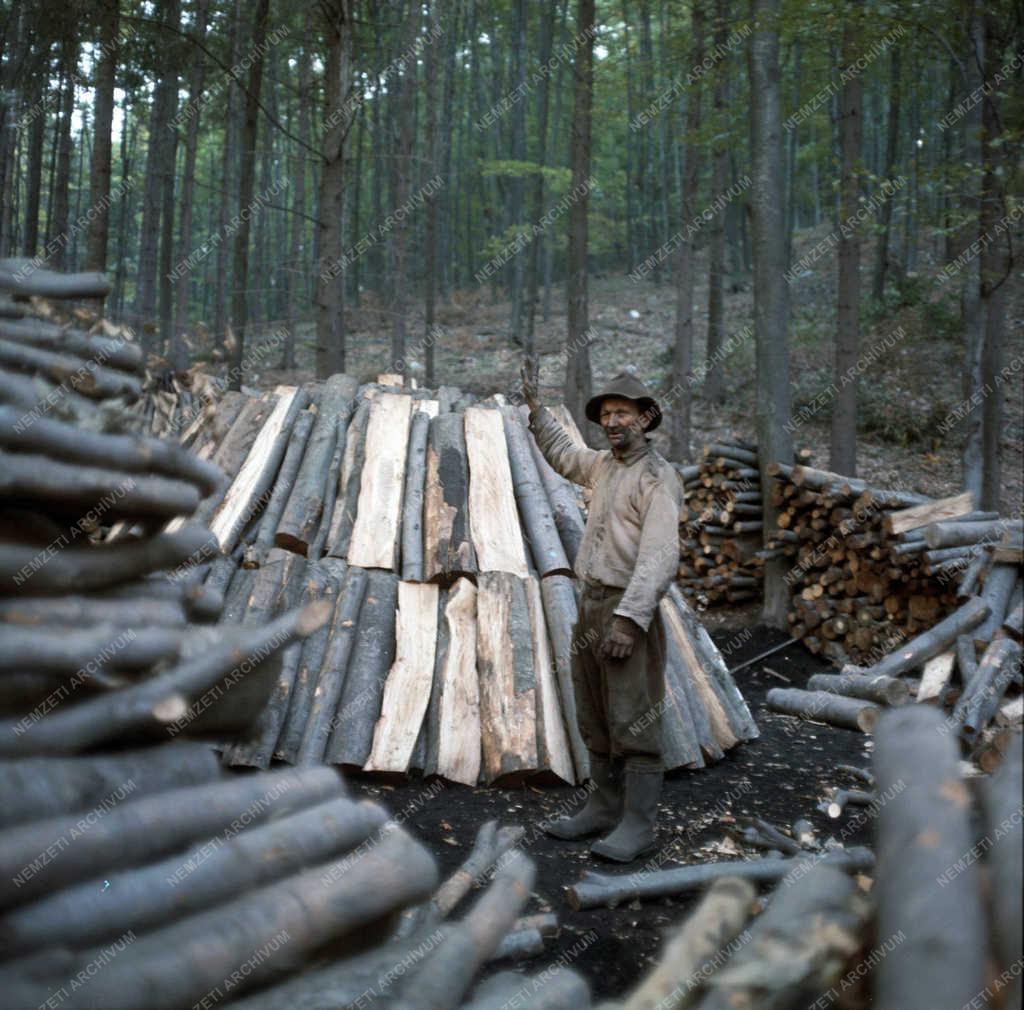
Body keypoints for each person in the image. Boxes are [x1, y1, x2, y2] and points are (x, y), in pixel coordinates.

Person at [521, 366, 681, 862]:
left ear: (645, 419)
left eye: (623, 413)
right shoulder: (605, 466)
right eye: (607, 414)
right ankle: (603, 809)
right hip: (591, 603)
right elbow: (566, 458)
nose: (613, 422)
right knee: (595, 712)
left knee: (634, 715)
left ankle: (638, 825)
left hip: (624, 607)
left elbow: (661, 555)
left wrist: (631, 619)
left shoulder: (657, 477)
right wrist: (537, 413)